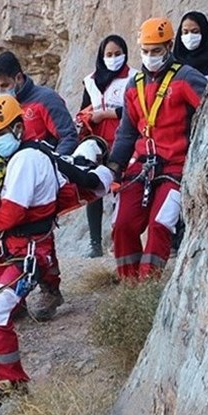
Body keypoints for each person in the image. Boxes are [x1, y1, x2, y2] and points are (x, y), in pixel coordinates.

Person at [0, 95, 116, 415]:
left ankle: (14, 388)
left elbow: (11, 215)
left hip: (28, 251)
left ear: (18, 127)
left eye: (0, 132)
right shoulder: (21, 157)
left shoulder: (28, 159)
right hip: (12, 250)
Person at [105, 16, 207, 282]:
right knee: (122, 224)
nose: (150, 57)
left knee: (159, 225)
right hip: (142, 166)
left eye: (156, 51)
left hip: (175, 166)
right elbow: (126, 132)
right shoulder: (134, 85)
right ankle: (130, 286)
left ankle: (148, 284)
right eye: (146, 51)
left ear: (169, 46)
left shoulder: (186, 78)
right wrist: (114, 166)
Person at [0, 50, 78, 320]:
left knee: (39, 237)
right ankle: (15, 296)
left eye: (5, 86)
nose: (1, 92)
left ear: (18, 77)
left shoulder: (44, 100)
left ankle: (50, 290)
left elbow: (67, 136)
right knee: (5, 237)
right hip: (15, 179)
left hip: (42, 180)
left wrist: (55, 171)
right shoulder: (1, 110)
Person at [76, 34, 138, 258]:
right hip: (96, 141)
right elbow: (84, 108)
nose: (113, 58)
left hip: (124, 140)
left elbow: (137, 109)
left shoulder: (134, 77)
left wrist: (107, 114)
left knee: (120, 188)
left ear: (125, 54)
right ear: (102, 57)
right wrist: (88, 117)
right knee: (93, 188)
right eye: (108, 55)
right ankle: (95, 244)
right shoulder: (90, 80)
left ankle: (116, 240)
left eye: (117, 54)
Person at [169, 11, 208, 257]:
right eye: (185, 32)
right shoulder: (173, 63)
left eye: (195, 31)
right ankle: (176, 239)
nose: (190, 36)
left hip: (205, 129)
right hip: (176, 130)